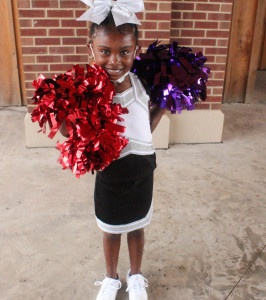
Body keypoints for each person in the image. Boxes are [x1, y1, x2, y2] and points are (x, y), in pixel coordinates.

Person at [60, 1, 165, 299]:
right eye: (105, 51)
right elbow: (71, 133)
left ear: (136, 49)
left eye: (124, 51)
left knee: (137, 226)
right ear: (90, 48)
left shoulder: (142, 83)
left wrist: (167, 105)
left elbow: (144, 125)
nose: (115, 60)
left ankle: (135, 276)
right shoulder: (88, 91)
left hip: (143, 171)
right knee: (110, 228)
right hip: (110, 173)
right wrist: (62, 116)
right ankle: (110, 279)